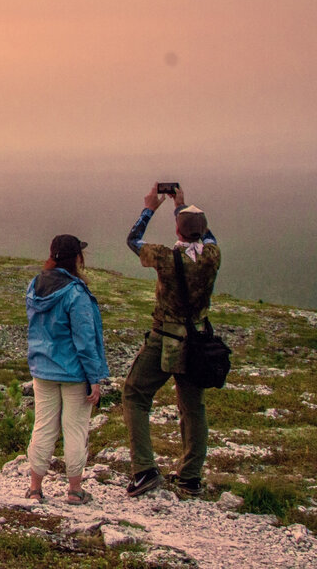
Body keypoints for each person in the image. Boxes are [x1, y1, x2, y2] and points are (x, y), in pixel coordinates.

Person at [123, 185, 220, 498]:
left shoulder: (165, 258)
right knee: (193, 407)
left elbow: (133, 240)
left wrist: (150, 207)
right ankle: (190, 477)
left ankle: (145, 470)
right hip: (199, 340)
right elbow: (206, 237)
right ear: (203, 230)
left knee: (135, 394)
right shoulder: (213, 257)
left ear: (177, 230)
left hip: (166, 337)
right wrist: (183, 207)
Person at [25, 234, 109, 505]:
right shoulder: (76, 293)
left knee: (43, 428)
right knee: (74, 430)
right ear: (77, 258)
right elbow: (85, 340)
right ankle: (74, 491)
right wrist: (94, 378)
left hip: (42, 369)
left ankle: (35, 488)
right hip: (74, 374)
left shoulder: (35, 286)